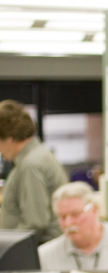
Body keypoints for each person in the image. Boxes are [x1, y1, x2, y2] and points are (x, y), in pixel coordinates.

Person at [0, 100, 67, 242]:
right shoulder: (37, 155)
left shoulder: (30, 165)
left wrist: (5, 243)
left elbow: (35, 222)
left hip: (35, 249)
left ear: (10, 139)